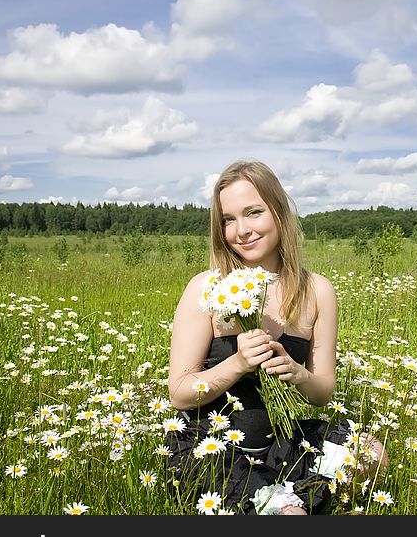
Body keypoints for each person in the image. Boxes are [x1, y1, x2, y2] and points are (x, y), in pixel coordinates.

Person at [166, 160, 388, 515]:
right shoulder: (206, 289)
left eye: (253, 212)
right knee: (289, 512)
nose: (241, 230)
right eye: (228, 219)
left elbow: (323, 392)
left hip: (284, 438)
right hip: (214, 443)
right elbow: (179, 393)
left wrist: (298, 374)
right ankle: (283, 501)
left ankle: (292, 492)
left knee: (372, 457)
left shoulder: (317, 291)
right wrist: (237, 363)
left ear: (279, 212)